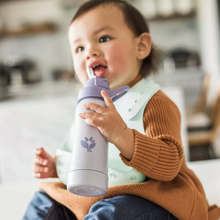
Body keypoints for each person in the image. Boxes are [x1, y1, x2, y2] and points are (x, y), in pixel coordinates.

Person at [23, 0, 220, 220]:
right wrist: (55, 166)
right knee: (43, 201)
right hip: (93, 196)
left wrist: (121, 135)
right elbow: (82, 152)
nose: (90, 52)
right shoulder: (88, 103)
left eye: (103, 39)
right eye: (79, 48)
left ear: (141, 46)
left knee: (114, 212)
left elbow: (170, 164)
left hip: (147, 195)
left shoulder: (154, 101)